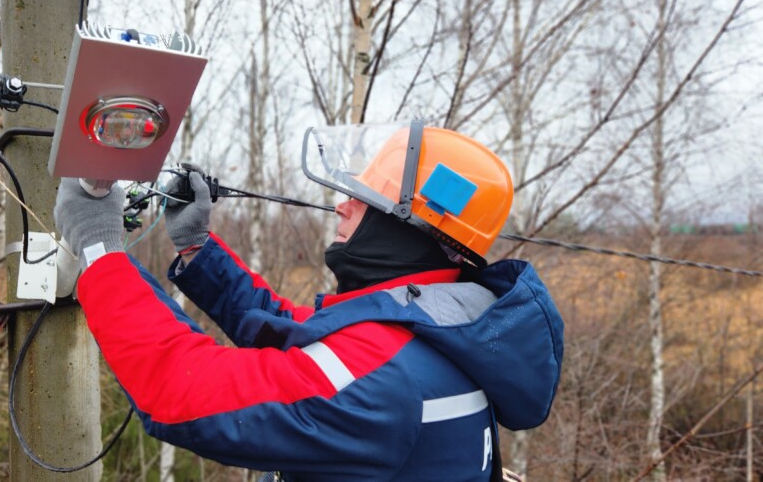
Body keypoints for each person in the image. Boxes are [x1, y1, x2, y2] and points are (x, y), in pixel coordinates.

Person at [54, 121, 564, 481]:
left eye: (364, 198)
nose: (341, 204)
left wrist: (100, 250)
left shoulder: (380, 376)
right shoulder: (450, 324)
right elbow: (298, 335)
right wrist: (198, 250)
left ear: (406, 225)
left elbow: (180, 388)